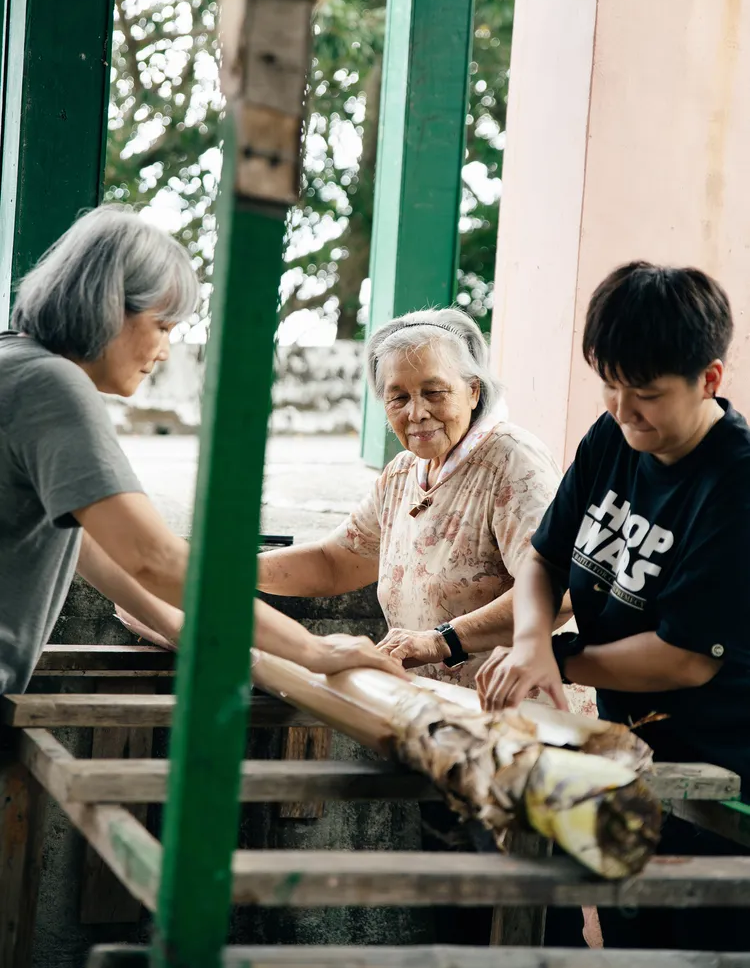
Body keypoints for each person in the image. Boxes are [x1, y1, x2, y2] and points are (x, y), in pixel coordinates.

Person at [0, 204, 404, 695]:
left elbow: (90, 545)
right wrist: (314, 648)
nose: (166, 351)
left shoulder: (13, 361)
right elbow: (154, 556)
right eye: (163, 327)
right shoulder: (52, 385)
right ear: (108, 306)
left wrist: (177, 626)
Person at [477, 261, 750, 952]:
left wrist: (560, 661)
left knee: (697, 942)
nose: (624, 409)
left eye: (647, 394)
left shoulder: (735, 484)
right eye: (611, 384)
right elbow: (542, 557)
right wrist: (534, 641)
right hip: (634, 755)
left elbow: (684, 658)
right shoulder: (614, 438)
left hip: (724, 778)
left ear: (709, 379)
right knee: (631, 936)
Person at [256, 307, 586, 702]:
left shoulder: (509, 461)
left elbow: (560, 589)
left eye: (434, 392)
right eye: (398, 397)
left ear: (474, 391)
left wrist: (440, 641)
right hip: (433, 711)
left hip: (516, 714)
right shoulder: (404, 473)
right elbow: (336, 561)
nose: (416, 413)